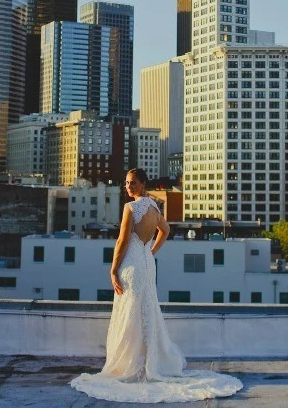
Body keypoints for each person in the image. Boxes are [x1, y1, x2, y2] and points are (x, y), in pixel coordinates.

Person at [70, 168, 242, 403]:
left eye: (132, 183)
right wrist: (150, 251)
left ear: (142, 184)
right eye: (126, 183)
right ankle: (149, 361)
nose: (128, 187)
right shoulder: (154, 206)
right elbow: (166, 230)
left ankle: (132, 364)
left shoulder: (131, 208)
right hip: (147, 263)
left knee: (131, 310)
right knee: (145, 309)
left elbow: (121, 240)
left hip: (132, 262)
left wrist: (112, 269)